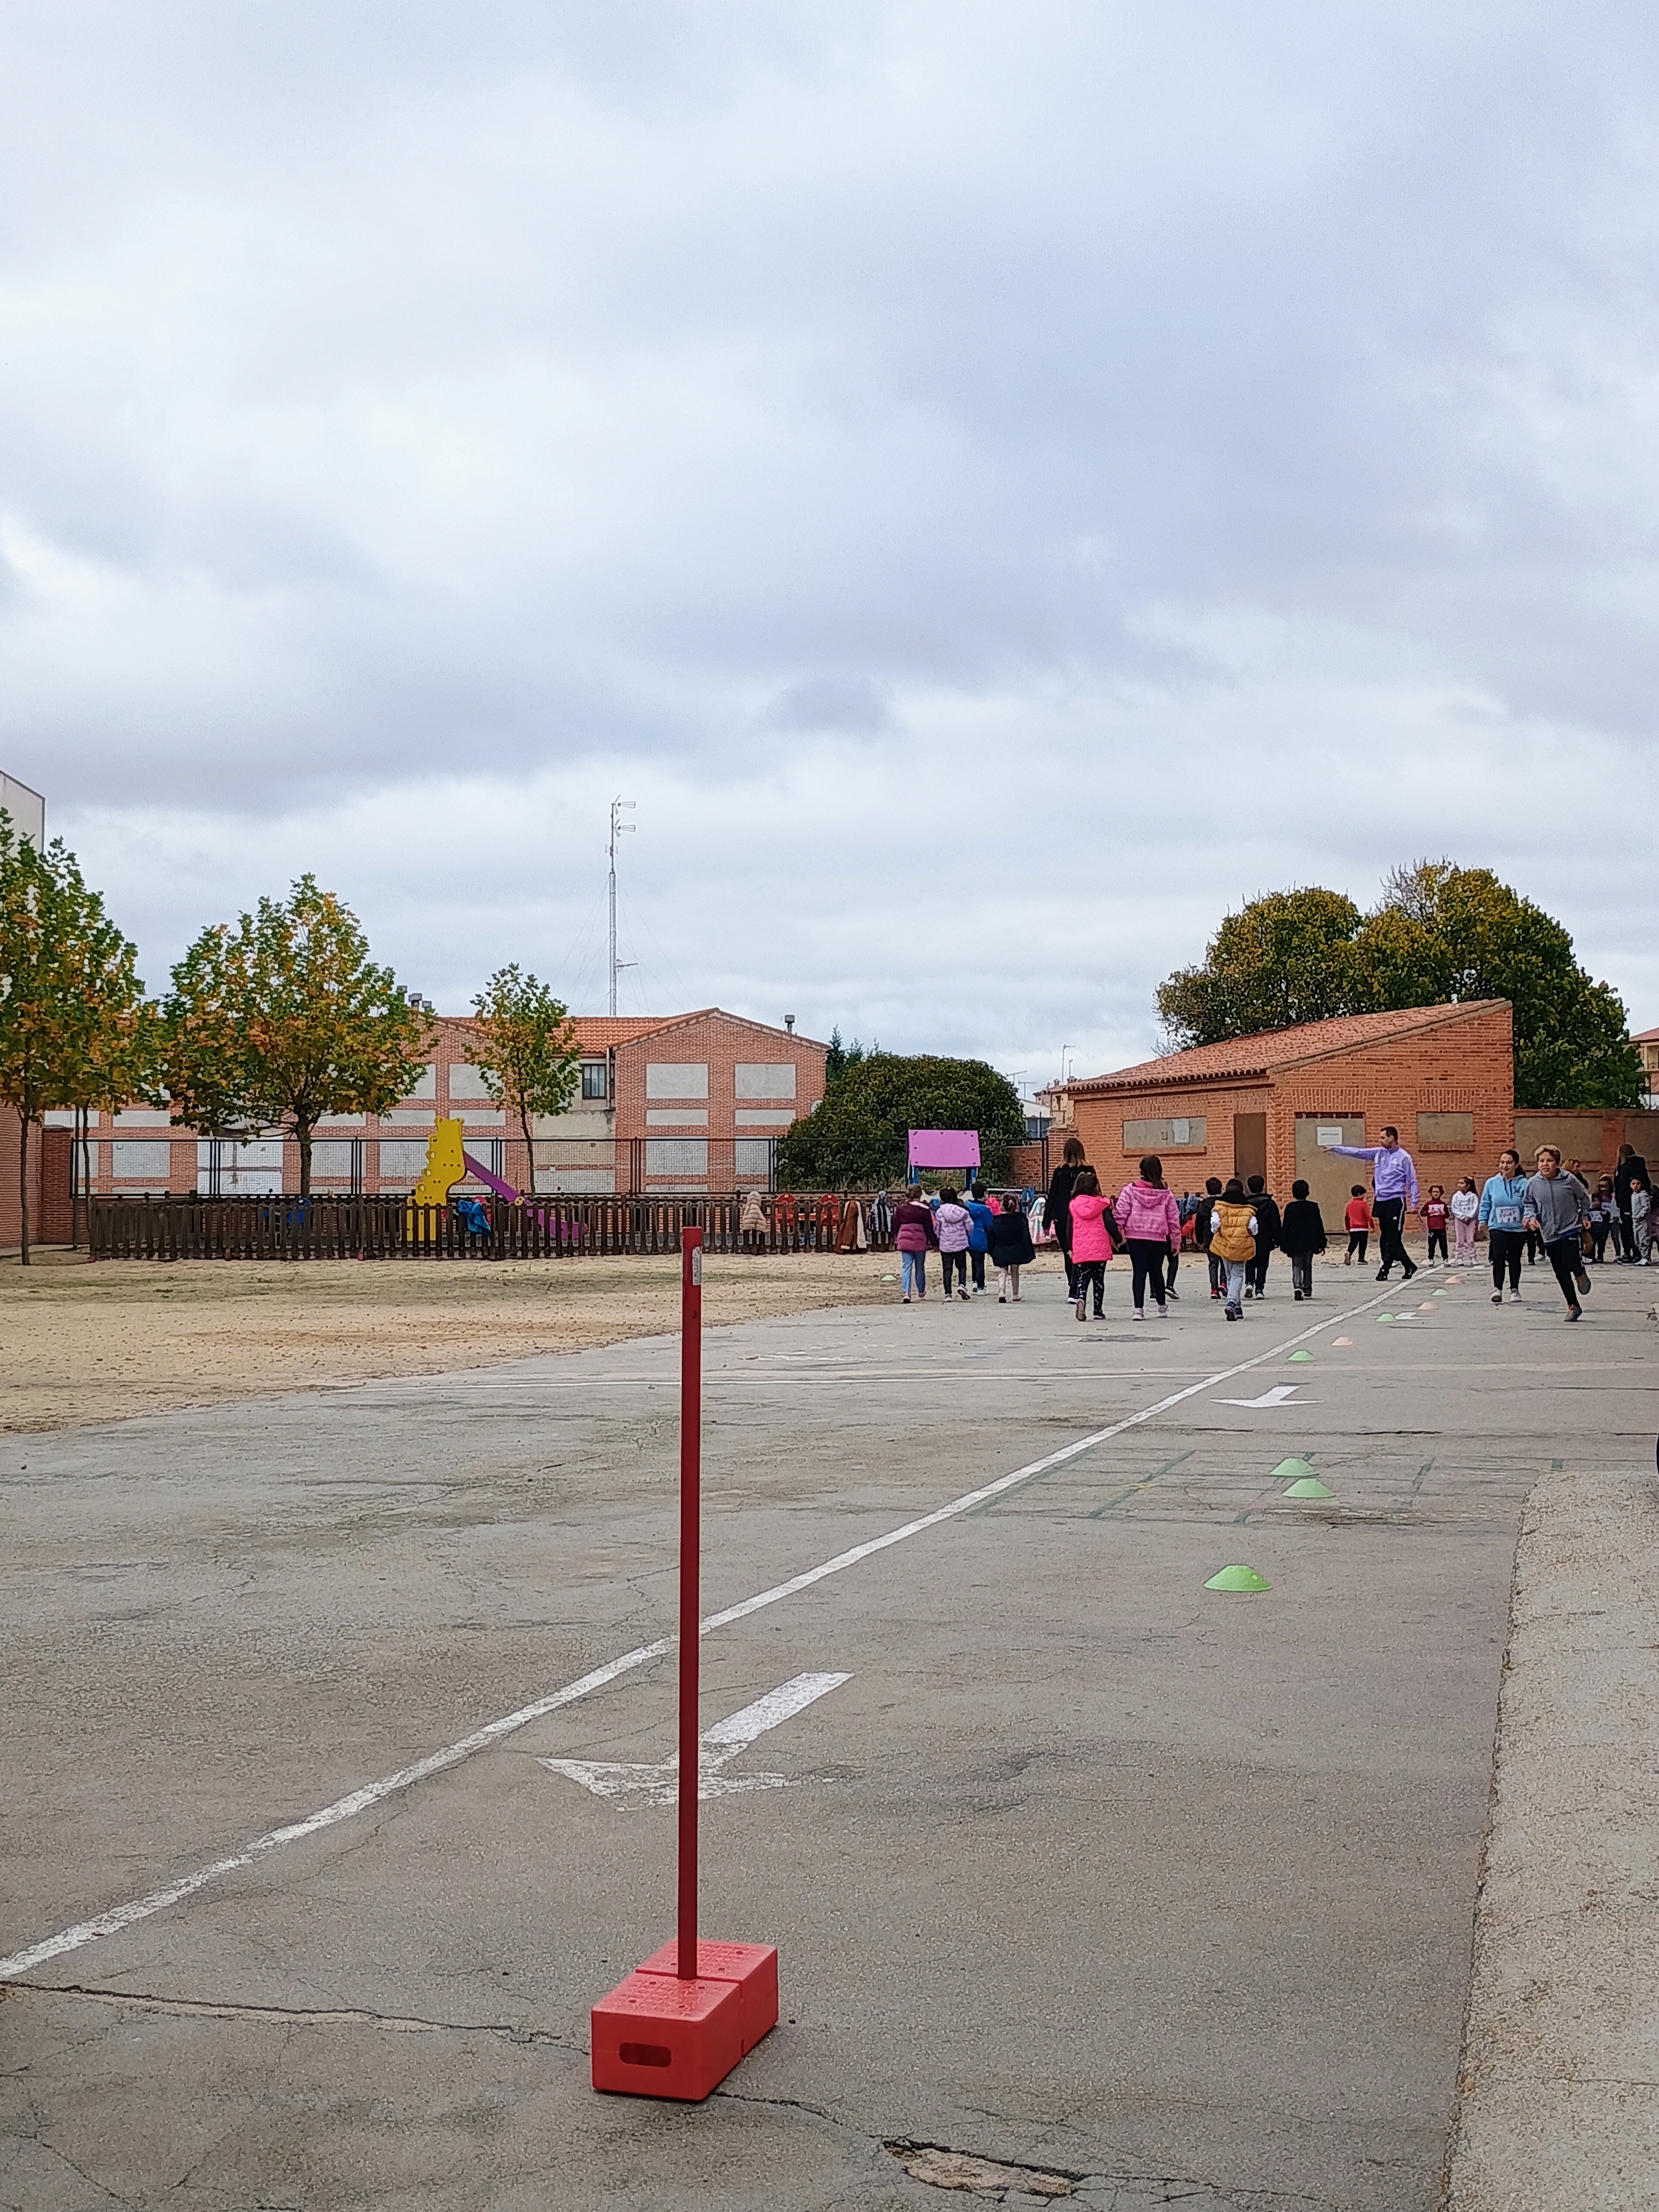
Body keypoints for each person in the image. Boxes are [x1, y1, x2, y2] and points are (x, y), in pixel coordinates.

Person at [1323, 1127, 1418, 1279]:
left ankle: (1388, 1268)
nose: (1380, 1141)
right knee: (1385, 1237)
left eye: (1383, 1138)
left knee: (1393, 1238)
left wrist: (1414, 1203)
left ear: (1392, 1138)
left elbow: (1412, 1181)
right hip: (1381, 1200)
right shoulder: (1378, 1153)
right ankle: (1404, 1266)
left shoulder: (1404, 1157)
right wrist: (1336, 1149)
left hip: (1395, 1201)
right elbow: (1357, 1152)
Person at [1522, 1146, 1592, 1320]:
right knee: (1560, 1270)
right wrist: (1531, 1217)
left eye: (1549, 1161)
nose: (1545, 1164)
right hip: (1548, 1231)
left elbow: (1584, 1197)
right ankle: (1573, 1306)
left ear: (1557, 1163)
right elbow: (1529, 1203)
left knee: (1569, 1259)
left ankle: (1579, 1271)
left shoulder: (1569, 1179)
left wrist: (1584, 1215)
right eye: (1541, 1161)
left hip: (1569, 1227)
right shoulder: (1533, 1183)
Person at [1114, 1154, 1181, 1320]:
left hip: (1135, 1236)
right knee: (1156, 1271)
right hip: (1158, 1237)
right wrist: (1176, 1241)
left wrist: (1118, 1234)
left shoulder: (1129, 1191)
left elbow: (1121, 1213)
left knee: (1139, 1271)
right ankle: (1161, 1306)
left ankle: (1138, 1309)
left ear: (1141, 1170)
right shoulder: (1166, 1194)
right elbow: (1174, 1219)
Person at [1478, 1148, 1530, 1303]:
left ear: (1516, 1164)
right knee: (1498, 1257)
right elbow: (1486, 1203)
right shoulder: (1492, 1183)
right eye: (1502, 1162)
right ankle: (1497, 1290)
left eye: (1509, 1163)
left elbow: (1529, 1203)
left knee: (1515, 1258)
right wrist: (1483, 1220)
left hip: (1518, 1228)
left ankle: (1515, 1290)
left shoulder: (1523, 1183)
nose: (1505, 1166)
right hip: (1497, 1226)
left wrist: (1528, 1217)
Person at [1067, 1167, 1116, 1320]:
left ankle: (1081, 1298)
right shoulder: (1102, 1205)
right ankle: (1098, 1310)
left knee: (1082, 1278)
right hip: (1099, 1249)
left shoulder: (1074, 1205)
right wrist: (1118, 1238)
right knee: (1098, 1280)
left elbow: (1070, 1227)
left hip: (1081, 1249)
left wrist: (1070, 1246)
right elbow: (1110, 1224)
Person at [1208, 1177, 1257, 1320]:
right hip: (1242, 1245)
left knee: (1229, 1274)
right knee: (1237, 1274)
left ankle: (1236, 1306)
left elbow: (1215, 1224)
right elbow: (1254, 1229)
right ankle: (1232, 1303)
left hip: (1225, 1244)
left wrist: (1217, 1232)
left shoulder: (1219, 1208)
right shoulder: (1248, 1210)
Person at [1046, 1137, 1087, 1301]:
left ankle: (1072, 1286)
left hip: (1062, 1216)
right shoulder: (1088, 1171)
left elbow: (1053, 1195)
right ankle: (1077, 1285)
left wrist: (1046, 1220)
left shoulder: (1060, 1172)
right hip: (1082, 1215)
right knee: (1080, 1252)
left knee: (1067, 1253)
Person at [1278, 1179, 1327, 1300]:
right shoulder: (1313, 1207)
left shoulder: (1290, 1208)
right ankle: (1307, 1287)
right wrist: (1322, 1243)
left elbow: (1286, 1227)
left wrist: (1283, 1243)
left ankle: (1297, 1285)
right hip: (1310, 1241)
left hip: (1294, 1242)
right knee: (1308, 1265)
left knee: (1297, 1264)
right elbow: (1318, 1226)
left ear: (1293, 1193)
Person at [892, 1188, 937, 1303]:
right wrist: (934, 1242)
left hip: (905, 1239)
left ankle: (906, 1293)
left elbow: (896, 1225)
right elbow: (929, 1228)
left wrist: (895, 1237)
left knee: (906, 1267)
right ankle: (921, 1290)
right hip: (919, 1239)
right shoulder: (924, 1209)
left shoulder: (901, 1208)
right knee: (920, 1267)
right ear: (920, 1195)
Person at [987, 1199, 1035, 1301]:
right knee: (1015, 1270)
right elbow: (1025, 1237)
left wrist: (992, 1251)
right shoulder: (1020, 1220)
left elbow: (991, 1238)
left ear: (1002, 1206)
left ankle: (1001, 1292)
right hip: (1016, 1249)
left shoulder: (995, 1221)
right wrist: (1028, 1250)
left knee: (1003, 1270)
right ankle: (1015, 1294)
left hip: (1000, 1250)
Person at [934, 1186, 974, 1302]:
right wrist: (968, 1235)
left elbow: (937, 1228)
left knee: (947, 1269)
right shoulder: (963, 1211)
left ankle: (948, 1294)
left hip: (946, 1244)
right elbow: (970, 1226)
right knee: (962, 1267)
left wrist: (938, 1238)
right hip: (961, 1243)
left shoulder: (940, 1211)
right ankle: (962, 1285)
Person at [1243, 1174, 1280, 1298]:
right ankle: (1260, 1289)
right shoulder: (1270, 1203)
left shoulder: (1245, 1204)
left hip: (1249, 1237)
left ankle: (1249, 1283)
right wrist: (1277, 1238)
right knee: (1263, 1263)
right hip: (1265, 1238)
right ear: (1263, 1186)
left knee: (1249, 1261)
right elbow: (1275, 1222)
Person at [1615, 1143, 1649, 1262]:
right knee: (1641, 1229)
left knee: (1627, 1229)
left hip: (1627, 1203)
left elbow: (1622, 1187)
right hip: (1641, 1201)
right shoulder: (1640, 1165)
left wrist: (1621, 1203)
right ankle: (1640, 1253)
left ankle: (1629, 1254)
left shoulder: (1624, 1168)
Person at [1193, 1175, 1225, 1298]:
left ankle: (1214, 1289)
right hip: (1223, 1236)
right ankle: (1224, 1282)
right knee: (1224, 1261)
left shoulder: (1202, 1205)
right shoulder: (1224, 1203)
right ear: (1221, 1189)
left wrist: (1200, 1240)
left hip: (1208, 1236)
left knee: (1213, 1263)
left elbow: (1198, 1224)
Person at [963, 1181, 995, 1294]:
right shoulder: (985, 1210)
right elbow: (990, 1225)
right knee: (980, 1262)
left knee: (974, 1260)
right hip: (981, 1238)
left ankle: (974, 1282)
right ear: (985, 1194)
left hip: (968, 1237)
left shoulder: (967, 1207)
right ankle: (981, 1286)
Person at [1589, 1176, 1620, 1263]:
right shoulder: (1597, 1196)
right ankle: (1596, 1256)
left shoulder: (1613, 1196)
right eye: (1601, 1186)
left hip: (1613, 1219)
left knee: (1615, 1237)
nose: (1603, 1188)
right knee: (1598, 1240)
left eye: (1605, 1186)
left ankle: (1618, 1255)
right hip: (1602, 1222)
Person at [1449, 1176, 1480, 1264]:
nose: (1460, 1185)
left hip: (1470, 1221)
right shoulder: (1456, 1196)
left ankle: (1472, 1258)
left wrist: (1469, 1216)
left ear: (1468, 1186)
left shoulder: (1473, 1196)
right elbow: (1454, 1208)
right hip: (1459, 1221)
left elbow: (1475, 1207)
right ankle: (1459, 1258)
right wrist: (1462, 1217)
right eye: (1459, 1183)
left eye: (1462, 1183)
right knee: (1460, 1240)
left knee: (1470, 1240)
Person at [1419, 1184, 1451, 1265]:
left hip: (1441, 1227)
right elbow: (1422, 1213)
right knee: (1432, 1244)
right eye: (1434, 1192)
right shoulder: (1428, 1204)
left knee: (1443, 1244)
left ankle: (1445, 1259)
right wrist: (1428, 1212)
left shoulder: (1443, 1204)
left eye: (1437, 1192)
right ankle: (1431, 1259)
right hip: (1432, 1227)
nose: (1435, 1194)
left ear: (1441, 1193)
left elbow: (1448, 1215)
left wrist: (1443, 1213)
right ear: (1431, 1193)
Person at [1344, 1186, 1372, 1266]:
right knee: (1363, 1243)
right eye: (1363, 1194)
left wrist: (1348, 1228)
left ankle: (1349, 1252)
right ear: (1359, 1194)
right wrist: (1372, 1224)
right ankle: (1361, 1258)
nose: (1364, 1196)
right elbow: (1367, 1216)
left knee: (1353, 1242)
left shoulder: (1349, 1205)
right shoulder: (1362, 1204)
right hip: (1363, 1228)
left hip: (1353, 1228)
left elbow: (1347, 1217)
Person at [739, 1188, 770, 1253]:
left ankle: (746, 1247)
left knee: (746, 1230)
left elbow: (746, 1214)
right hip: (758, 1221)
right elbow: (760, 1215)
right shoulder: (757, 1207)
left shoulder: (748, 1206)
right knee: (762, 1230)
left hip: (749, 1221)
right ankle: (762, 1247)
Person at [1631, 1172, 1653, 1265]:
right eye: (1633, 1184)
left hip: (1642, 1220)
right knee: (1637, 1240)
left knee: (1644, 1238)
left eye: (1638, 1184)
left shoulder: (1643, 1195)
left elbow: (1646, 1207)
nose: (1636, 1186)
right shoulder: (1633, 1195)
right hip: (1635, 1220)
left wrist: (1640, 1216)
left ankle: (1646, 1257)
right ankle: (1643, 1256)